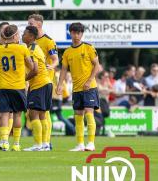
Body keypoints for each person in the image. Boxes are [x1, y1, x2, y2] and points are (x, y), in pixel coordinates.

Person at [57, 22, 100, 152]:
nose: (76, 35)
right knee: (78, 115)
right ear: (70, 33)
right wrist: (59, 84)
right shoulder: (67, 52)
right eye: (74, 32)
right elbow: (64, 70)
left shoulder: (88, 48)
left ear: (82, 34)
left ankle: (91, 143)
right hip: (76, 89)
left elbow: (97, 66)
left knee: (89, 112)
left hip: (89, 87)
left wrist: (89, 80)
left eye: (79, 33)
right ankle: (80, 144)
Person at [0, 24, 36, 151]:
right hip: (18, 86)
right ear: (15, 35)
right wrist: (26, 77)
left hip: (3, 86)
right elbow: (32, 67)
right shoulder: (22, 49)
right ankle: (16, 143)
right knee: (17, 115)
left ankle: (4, 141)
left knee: (4, 114)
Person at [27, 14, 59, 150]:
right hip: (35, 80)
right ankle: (44, 143)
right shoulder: (30, 42)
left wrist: (51, 66)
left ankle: (45, 142)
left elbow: (56, 59)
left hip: (44, 79)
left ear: (39, 25)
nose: (28, 25)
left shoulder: (48, 41)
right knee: (42, 112)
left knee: (43, 112)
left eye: (30, 23)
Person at [22, 25, 52, 151]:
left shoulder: (32, 49)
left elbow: (34, 70)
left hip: (39, 84)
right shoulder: (34, 48)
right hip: (46, 83)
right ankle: (44, 144)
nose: (23, 35)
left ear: (31, 36)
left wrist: (23, 79)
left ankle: (37, 144)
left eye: (25, 33)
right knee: (42, 116)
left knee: (33, 114)